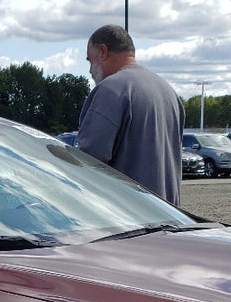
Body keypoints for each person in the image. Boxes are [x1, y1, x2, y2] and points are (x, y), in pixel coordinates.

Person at [74, 24, 184, 205]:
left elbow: (89, 163)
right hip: (168, 213)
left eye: (90, 60)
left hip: (127, 214)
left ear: (102, 51)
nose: (90, 70)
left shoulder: (110, 90)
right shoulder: (168, 92)